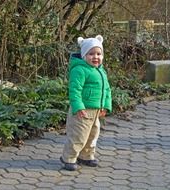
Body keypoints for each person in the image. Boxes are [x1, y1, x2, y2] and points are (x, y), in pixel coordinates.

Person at [60, 35, 112, 171]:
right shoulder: (79, 70)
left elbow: (106, 89)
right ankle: (69, 158)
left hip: (95, 110)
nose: (96, 57)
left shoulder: (100, 71)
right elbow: (75, 90)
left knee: (92, 135)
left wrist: (106, 105)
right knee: (78, 135)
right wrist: (78, 107)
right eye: (91, 54)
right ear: (84, 55)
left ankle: (86, 155)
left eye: (99, 54)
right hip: (82, 111)